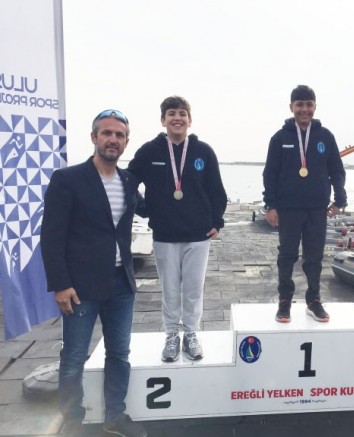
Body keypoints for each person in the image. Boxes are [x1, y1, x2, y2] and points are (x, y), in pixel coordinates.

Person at [41, 110, 147, 437]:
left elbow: (155, 209)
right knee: (74, 357)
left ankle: (115, 416)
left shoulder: (129, 182)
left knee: (119, 354)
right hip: (80, 287)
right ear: (94, 138)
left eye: (119, 135)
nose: (113, 139)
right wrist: (60, 284)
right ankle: (71, 421)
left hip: (121, 284)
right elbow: (52, 236)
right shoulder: (67, 179)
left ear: (126, 143)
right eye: (107, 133)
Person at [127, 96, 227, 363]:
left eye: (182, 113)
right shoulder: (150, 151)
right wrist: (145, 208)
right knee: (170, 290)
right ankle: (172, 335)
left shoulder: (203, 151)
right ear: (163, 120)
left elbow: (217, 191)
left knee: (193, 290)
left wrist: (217, 221)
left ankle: (191, 333)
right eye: (171, 113)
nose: (177, 118)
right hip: (165, 236)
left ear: (189, 120)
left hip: (198, 236)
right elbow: (127, 181)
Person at [263, 85, 347, 323]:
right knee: (287, 256)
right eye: (299, 104)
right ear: (291, 107)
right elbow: (270, 173)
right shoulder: (280, 138)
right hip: (288, 209)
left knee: (314, 257)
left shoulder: (325, 137)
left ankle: (313, 300)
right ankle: (284, 301)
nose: (304, 109)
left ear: (315, 107)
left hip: (317, 209)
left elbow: (336, 170)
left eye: (309, 104)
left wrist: (340, 199)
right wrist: (270, 205)